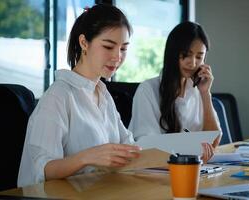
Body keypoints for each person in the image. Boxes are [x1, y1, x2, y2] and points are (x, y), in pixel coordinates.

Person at [18, 4, 140, 187]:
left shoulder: (103, 93)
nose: (117, 57)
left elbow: (127, 145)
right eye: (108, 46)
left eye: (123, 49)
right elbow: (42, 170)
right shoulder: (58, 96)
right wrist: (87, 157)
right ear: (84, 42)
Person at [128, 21, 222, 163]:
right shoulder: (148, 90)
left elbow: (213, 142)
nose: (193, 63)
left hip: (194, 169)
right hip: (159, 172)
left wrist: (205, 94)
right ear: (173, 53)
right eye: (186, 54)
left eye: (199, 56)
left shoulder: (198, 91)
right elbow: (146, 145)